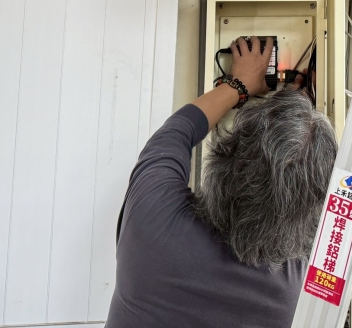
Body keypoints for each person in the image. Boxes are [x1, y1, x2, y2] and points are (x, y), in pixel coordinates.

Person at [105, 37, 338, 328]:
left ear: (223, 154)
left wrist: (238, 85)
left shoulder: (152, 217)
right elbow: (339, 230)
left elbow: (177, 131)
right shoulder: (303, 298)